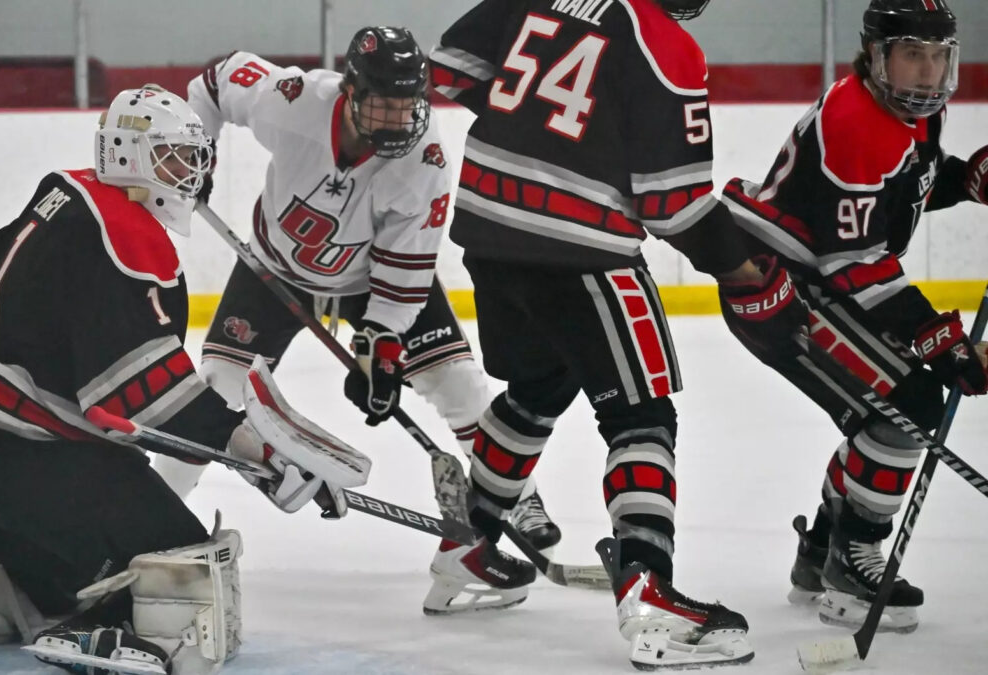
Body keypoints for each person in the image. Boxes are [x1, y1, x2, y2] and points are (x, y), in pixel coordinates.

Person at [0, 85, 370, 675]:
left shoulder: (65, 198)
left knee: (116, 553)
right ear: (125, 156)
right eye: (173, 156)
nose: (192, 172)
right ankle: (94, 623)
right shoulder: (123, 236)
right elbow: (146, 394)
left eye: (193, 157)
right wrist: (255, 451)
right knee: (179, 567)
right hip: (22, 458)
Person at [429, 0, 810, 668]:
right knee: (641, 415)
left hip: (488, 230)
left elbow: (450, 69)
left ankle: (469, 547)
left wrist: (534, 125)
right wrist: (744, 271)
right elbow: (675, 204)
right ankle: (650, 594)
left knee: (538, 387)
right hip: (581, 248)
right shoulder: (665, 44)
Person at [174, 26, 562, 553]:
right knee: (218, 386)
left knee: (458, 385)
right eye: (384, 105)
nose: (400, 119)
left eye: (409, 104)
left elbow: (404, 273)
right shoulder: (292, 101)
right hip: (274, 267)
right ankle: (161, 507)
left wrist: (381, 344)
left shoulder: (424, 161)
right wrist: (195, 155)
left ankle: (520, 498)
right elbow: (217, 83)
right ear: (350, 91)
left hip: (371, 277)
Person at [720, 0, 988, 634]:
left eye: (938, 56)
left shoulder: (909, 111)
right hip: (783, 292)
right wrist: (938, 340)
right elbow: (855, 263)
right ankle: (850, 562)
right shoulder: (855, 121)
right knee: (909, 405)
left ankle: (823, 553)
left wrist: (968, 181)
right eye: (912, 55)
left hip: (822, 281)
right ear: (876, 55)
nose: (928, 72)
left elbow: (902, 187)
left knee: (890, 412)